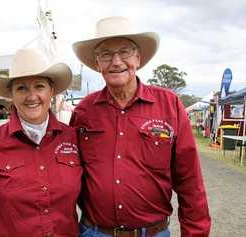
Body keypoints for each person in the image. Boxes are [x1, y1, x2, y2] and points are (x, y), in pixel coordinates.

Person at [70, 16, 211, 237]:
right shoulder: (83, 111)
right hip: (94, 232)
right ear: (97, 64)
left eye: (125, 52)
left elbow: (190, 182)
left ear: (138, 57)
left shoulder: (170, 105)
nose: (116, 61)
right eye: (106, 55)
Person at [0, 48, 83, 237]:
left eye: (39, 86)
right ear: (11, 96)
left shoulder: (73, 138)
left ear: (52, 91)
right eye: (21, 88)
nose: (32, 96)